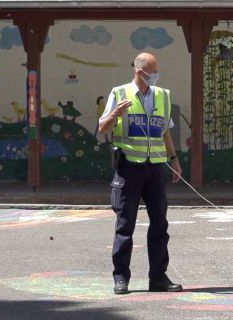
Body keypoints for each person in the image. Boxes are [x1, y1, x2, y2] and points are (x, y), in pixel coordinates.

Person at [98, 52, 183, 294]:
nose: (156, 76)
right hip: (129, 168)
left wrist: (174, 159)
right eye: (152, 72)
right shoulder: (119, 93)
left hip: (155, 169)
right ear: (139, 71)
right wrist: (115, 114)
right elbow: (102, 127)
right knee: (125, 224)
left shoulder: (163, 96)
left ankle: (158, 277)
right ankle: (121, 277)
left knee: (160, 224)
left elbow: (165, 131)